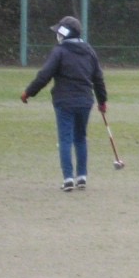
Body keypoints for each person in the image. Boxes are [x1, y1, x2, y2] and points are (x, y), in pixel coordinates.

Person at [21, 16, 109, 192]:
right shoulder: (89, 51)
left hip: (64, 102)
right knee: (80, 138)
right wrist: (102, 101)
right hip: (85, 101)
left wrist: (29, 92)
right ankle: (82, 177)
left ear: (64, 34)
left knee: (65, 139)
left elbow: (44, 75)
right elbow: (98, 78)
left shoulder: (59, 51)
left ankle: (68, 178)